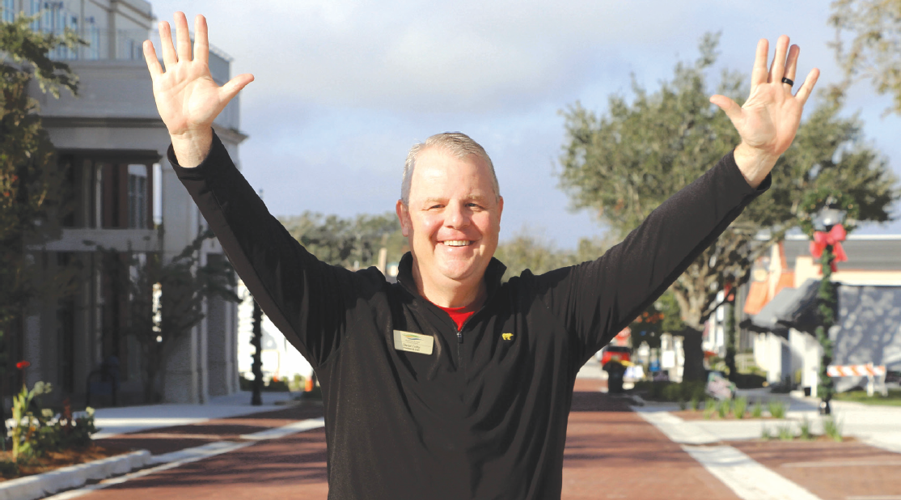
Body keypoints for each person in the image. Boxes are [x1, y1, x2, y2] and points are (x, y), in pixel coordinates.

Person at [144, 12, 818, 500]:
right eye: (435, 207)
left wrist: (749, 161)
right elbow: (256, 241)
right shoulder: (348, 318)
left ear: (497, 216)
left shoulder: (548, 318)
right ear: (406, 219)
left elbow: (652, 251)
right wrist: (196, 147)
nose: (455, 224)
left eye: (473, 205)